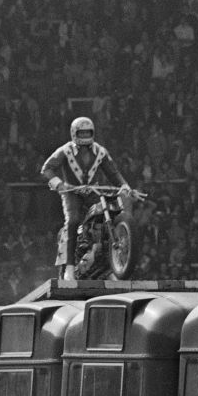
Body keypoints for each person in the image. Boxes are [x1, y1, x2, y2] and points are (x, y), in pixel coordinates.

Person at [41, 117, 132, 280]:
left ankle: (109, 261)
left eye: (87, 132)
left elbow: (113, 172)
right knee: (73, 221)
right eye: (81, 133)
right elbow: (47, 168)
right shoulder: (65, 150)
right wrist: (59, 184)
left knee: (108, 216)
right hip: (71, 192)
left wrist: (124, 185)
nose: (84, 135)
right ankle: (69, 267)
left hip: (93, 191)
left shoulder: (100, 151)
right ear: (74, 133)